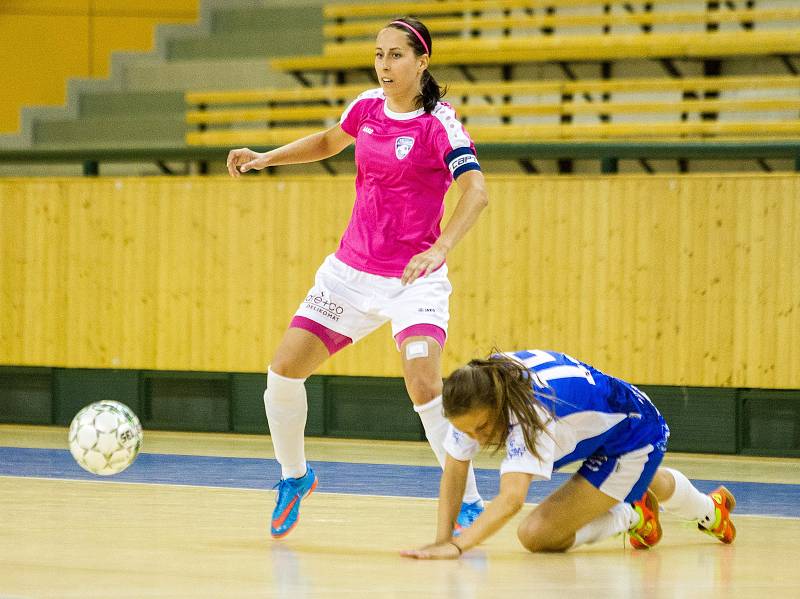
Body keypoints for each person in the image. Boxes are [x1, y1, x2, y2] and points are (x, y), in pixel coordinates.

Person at [226, 17, 489, 539]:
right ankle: (295, 477)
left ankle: (471, 503)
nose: (385, 65)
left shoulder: (441, 124)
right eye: (379, 55)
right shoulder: (366, 107)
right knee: (282, 374)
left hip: (415, 278)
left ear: (422, 61)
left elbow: (476, 193)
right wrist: (265, 158)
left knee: (424, 385)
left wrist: (439, 248)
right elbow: (327, 142)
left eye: (396, 55)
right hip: (349, 275)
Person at [401, 349, 737, 559]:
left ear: (499, 405)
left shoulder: (534, 416)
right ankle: (707, 507)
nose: (476, 438)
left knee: (535, 536)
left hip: (635, 434)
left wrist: (458, 546)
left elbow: (511, 500)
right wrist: (441, 538)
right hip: (599, 422)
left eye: (482, 428)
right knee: (639, 477)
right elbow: (455, 467)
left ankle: (636, 514)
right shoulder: (484, 386)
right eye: (467, 431)